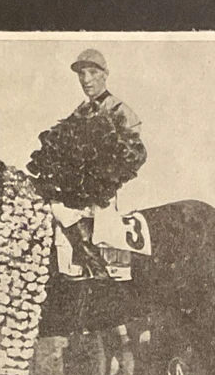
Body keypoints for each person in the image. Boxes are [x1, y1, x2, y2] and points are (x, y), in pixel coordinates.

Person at [48, 48, 144, 278]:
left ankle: (99, 269)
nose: (86, 79)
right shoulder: (79, 112)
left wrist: (101, 179)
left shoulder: (121, 110)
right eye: (81, 74)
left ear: (105, 74)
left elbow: (135, 155)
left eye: (92, 72)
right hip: (80, 191)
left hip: (109, 192)